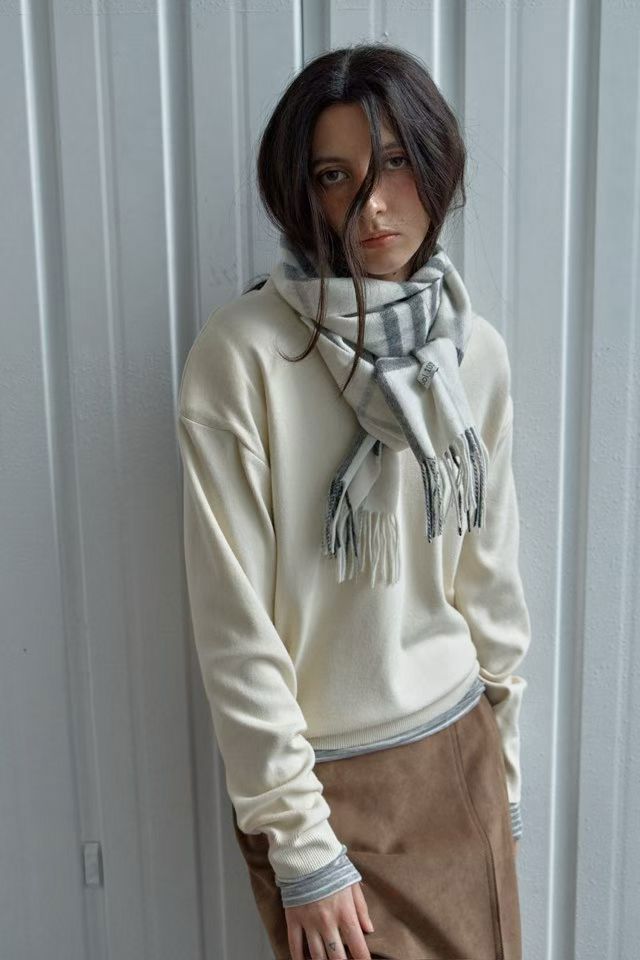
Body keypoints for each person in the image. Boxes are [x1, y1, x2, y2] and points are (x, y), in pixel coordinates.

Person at [177, 41, 531, 960]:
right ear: (301, 191)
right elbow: (233, 624)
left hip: (461, 757)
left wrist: (505, 776)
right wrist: (301, 844)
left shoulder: (474, 353)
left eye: (397, 162)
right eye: (335, 176)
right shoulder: (245, 355)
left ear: (438, 163)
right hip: (323, 790)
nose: (372, 204)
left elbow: (489, 582)